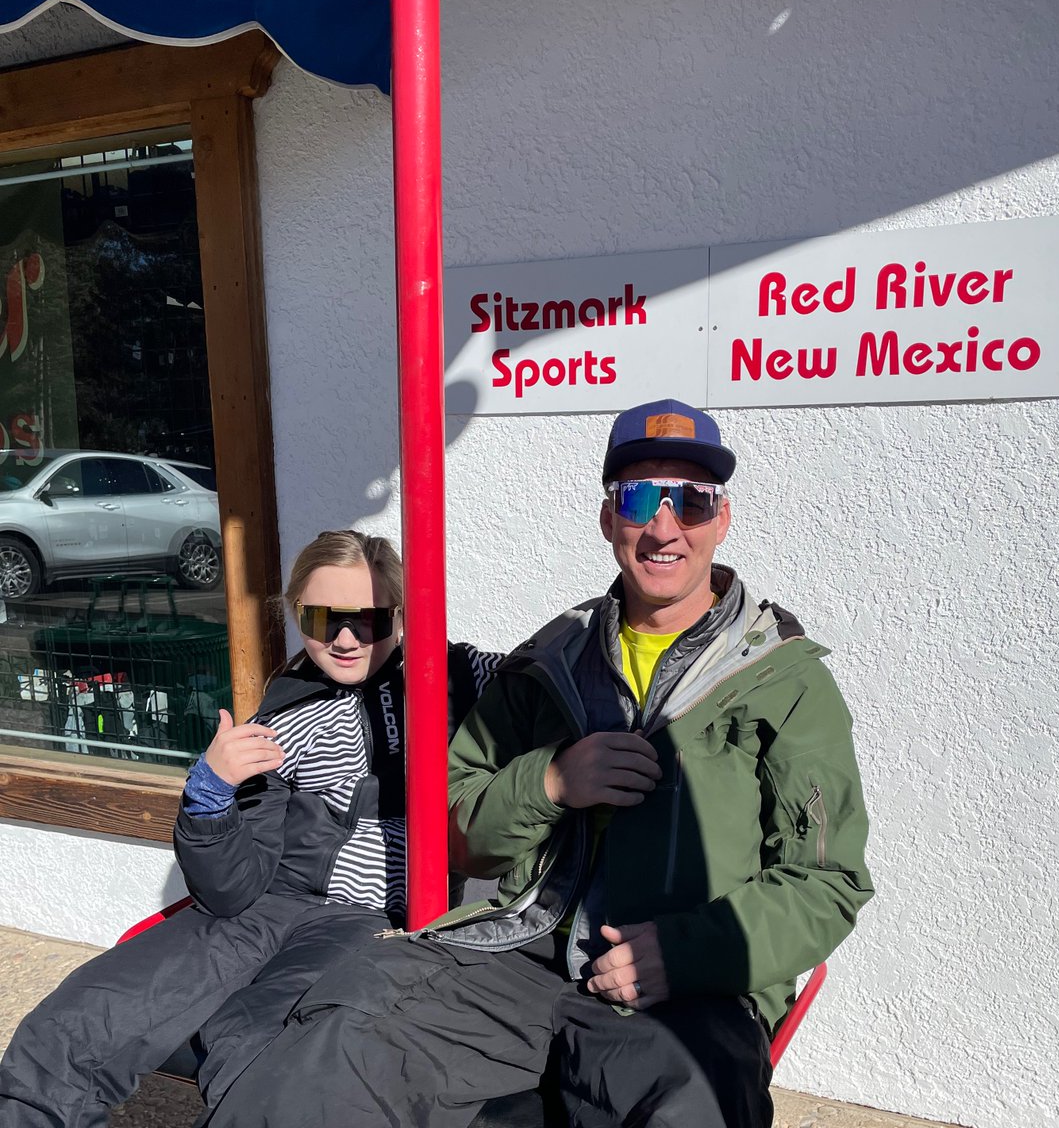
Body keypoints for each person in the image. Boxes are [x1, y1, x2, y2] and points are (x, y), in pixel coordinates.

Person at [203, 400, 875, 1128]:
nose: (664, 525)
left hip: (685, 988)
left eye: (691, 500)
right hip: (521, 949)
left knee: (690, 1110)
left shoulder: (782, 678)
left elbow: (829, 881)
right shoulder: (555, 658)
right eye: (639, 498)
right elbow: (458, 826)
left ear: (722, 518)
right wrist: (551, 782)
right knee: (330, 1042)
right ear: (608, 519)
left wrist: (685, 952)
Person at [0, 529, 502, 1128]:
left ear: (398, 615)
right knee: (80, 1021)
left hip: (366, 920)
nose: (344, 639)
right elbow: (232, 889)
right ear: (296, 615)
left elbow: (557, 679)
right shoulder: (286, 711)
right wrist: (211, 793)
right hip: (263, 909)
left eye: (366, 620)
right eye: (321, 619)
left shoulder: (454, 676)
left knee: (265, 1051)